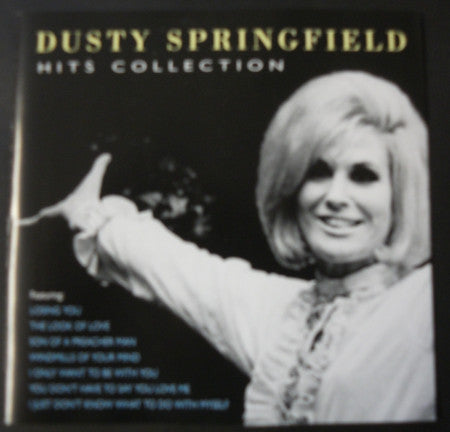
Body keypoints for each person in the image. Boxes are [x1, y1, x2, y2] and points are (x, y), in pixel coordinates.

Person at [26, 70, 435, 425]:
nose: (335, 196)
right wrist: (85, 212)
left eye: (363, 176)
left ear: (401, 195)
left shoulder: (422, 305)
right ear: (292, 187)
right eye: (318, 172)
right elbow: (175, 266)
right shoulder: (282, 314)